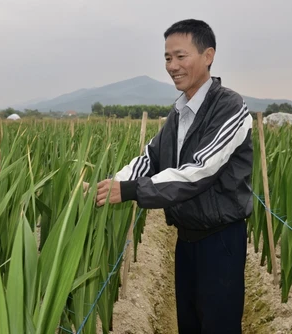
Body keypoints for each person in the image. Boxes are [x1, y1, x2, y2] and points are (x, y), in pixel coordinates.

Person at [95, 18, 253, 334]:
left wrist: (128, 191)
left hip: (220, 241)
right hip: (186, 238)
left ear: (208, 56)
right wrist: (108, 185)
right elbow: (150, 159)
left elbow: (198, 171)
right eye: (168, 58)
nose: (172, 65)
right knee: (190, 325)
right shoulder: (179, 112)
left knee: (218, 326)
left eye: (181, 56)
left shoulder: (231, 107)